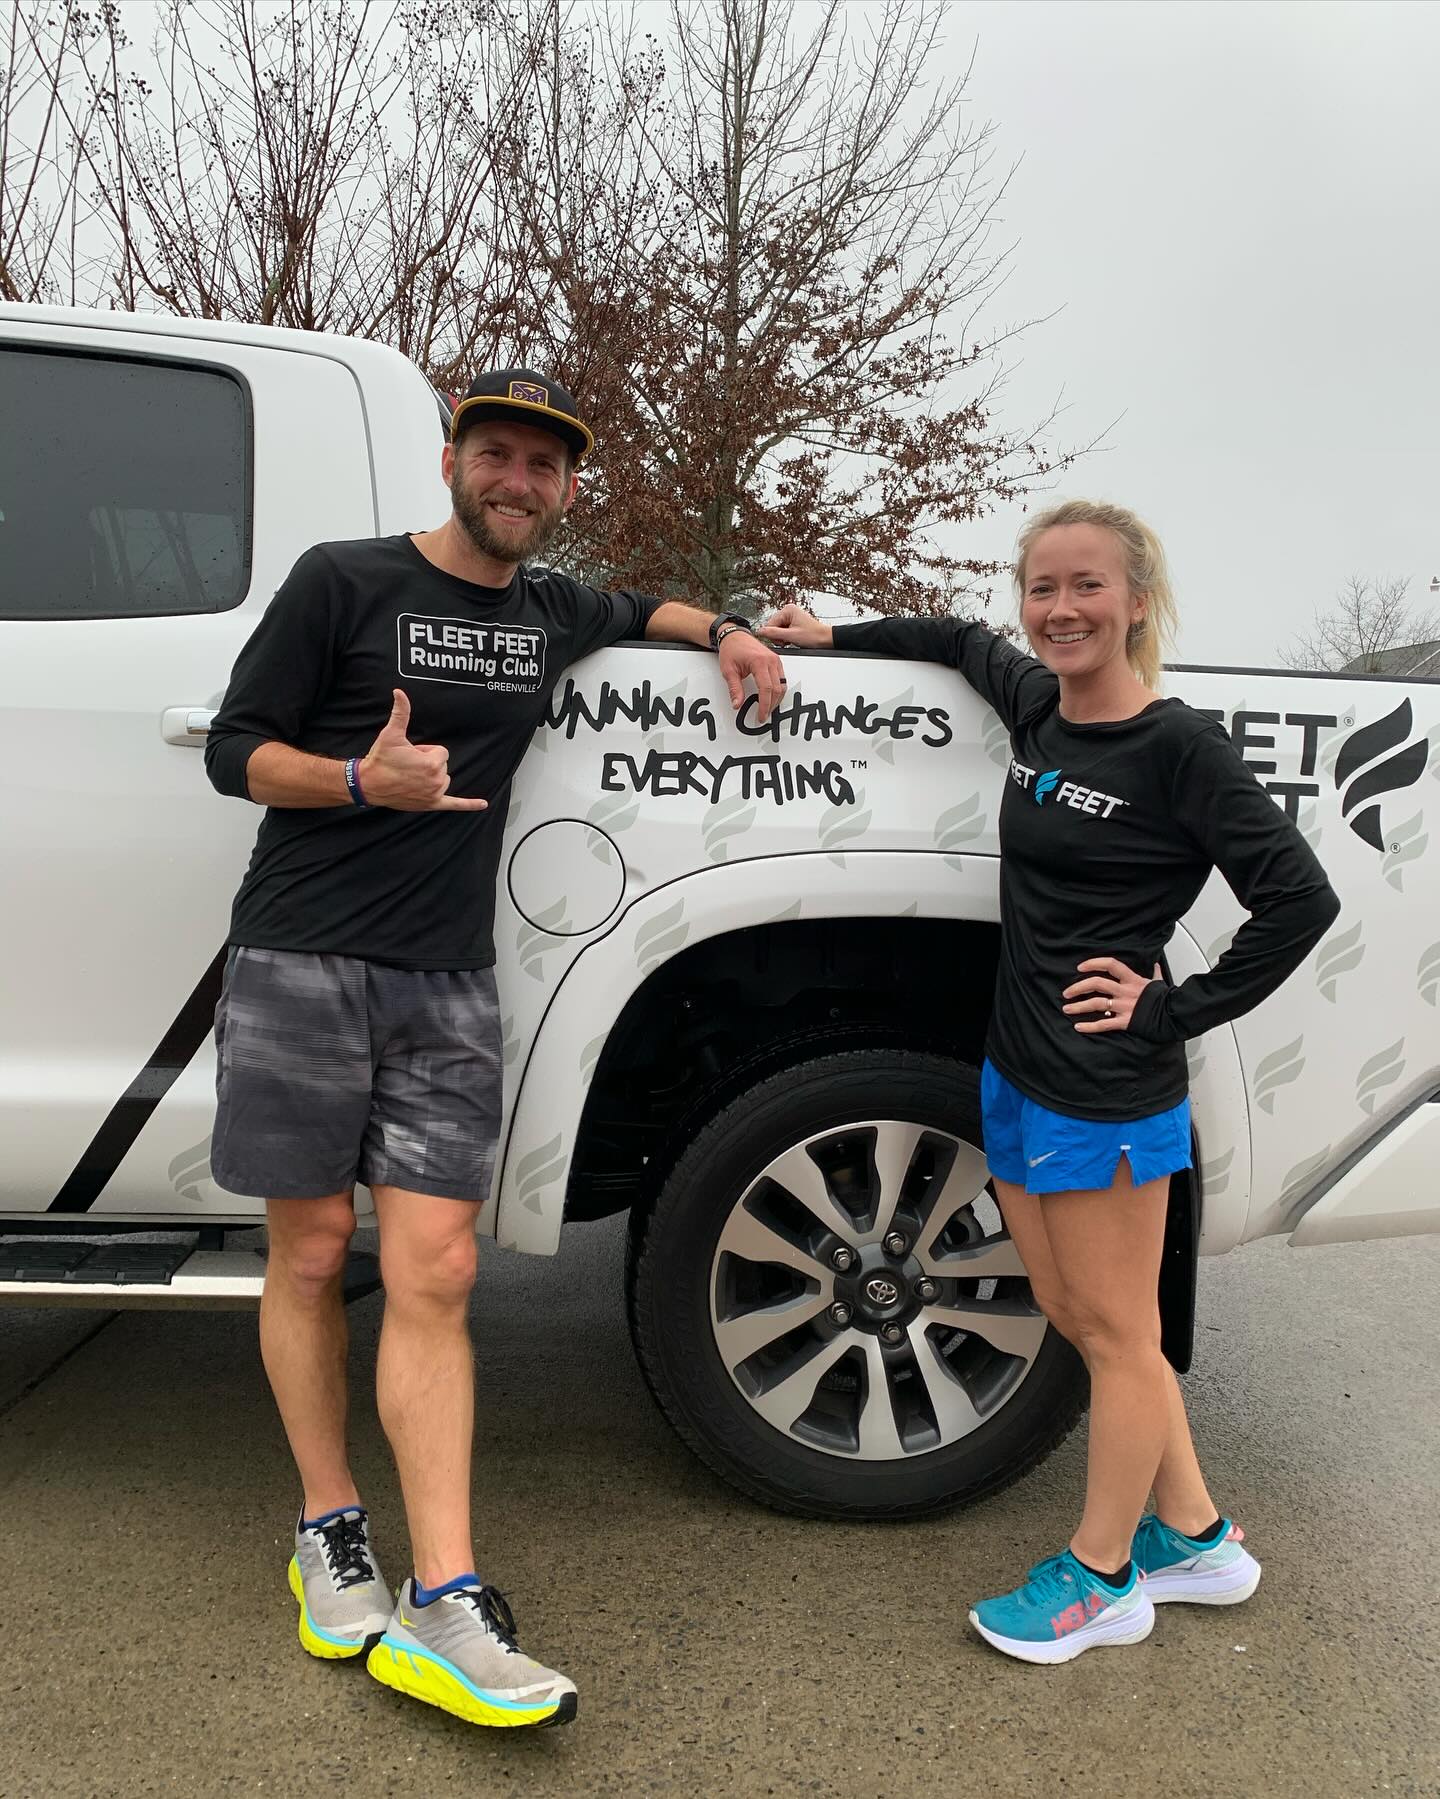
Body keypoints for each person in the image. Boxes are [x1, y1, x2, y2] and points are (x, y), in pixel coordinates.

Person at [204, 369, 785, 1726]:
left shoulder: (548, 611)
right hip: (302, 957)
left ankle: (447, 1596)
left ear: (566, 487)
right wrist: (363, 777)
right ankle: (329, 1527)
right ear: (453, 460)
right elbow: (237, 751)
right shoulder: (343, 579)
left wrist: (734, 630)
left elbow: (642, 609)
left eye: (544, 463)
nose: (517, 479)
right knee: (309, 1251)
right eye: (496, 453)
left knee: (442, 1269)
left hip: (450, 984)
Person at [762, 499, 1339, 1666]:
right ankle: (1196, 1534)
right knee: (1081, 1316)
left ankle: (1104, 1574)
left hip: (1106, 1089)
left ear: (1137, 600)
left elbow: (1301, 898)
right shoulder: (1036, 705)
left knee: (1119, 1334)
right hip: (1018, 1068)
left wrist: (1172, 1006)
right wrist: (825, 636)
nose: (1061, 608)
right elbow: (948, 639)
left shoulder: (1178, 748)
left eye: (1087, 586)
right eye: (1042, 587)